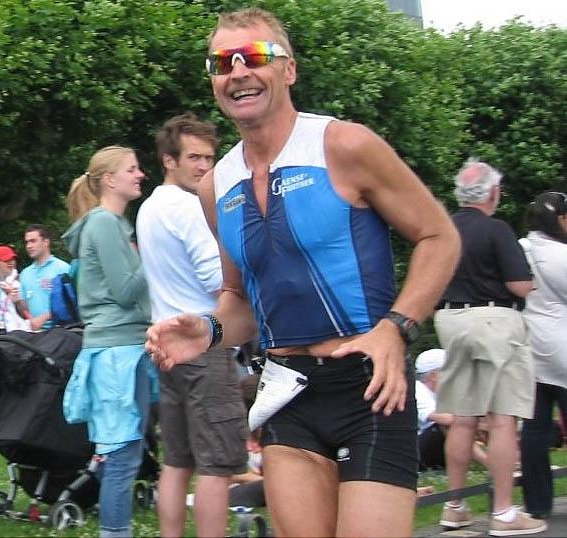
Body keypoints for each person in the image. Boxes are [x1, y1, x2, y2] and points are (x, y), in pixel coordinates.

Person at [146, 8, 461, 537]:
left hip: (370, 386)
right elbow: (240, 299)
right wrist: (210, 330)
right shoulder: (215, 186)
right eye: (223, 62)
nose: (239, 71)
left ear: (288, 69)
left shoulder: (344, 145)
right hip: (287, 389)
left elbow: (439, 236)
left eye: (255, 56)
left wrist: (397, 328)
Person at [136, 113, 248, 537]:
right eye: (194, 158)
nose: (204, 167)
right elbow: (217, 278)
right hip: (203, 342)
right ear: (169, 159)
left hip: (166, 346)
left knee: (177, 461)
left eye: (209, 158)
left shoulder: (149, 207)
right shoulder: (188, 207)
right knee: (217, 466)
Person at [434, 159, 545, 536]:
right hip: (495, 321)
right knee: (502, 417)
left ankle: (454, 506)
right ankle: (504, 513)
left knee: (463, 416)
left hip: (451, 319)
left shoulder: (442, 227)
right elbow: (519, 285)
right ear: (493, 193)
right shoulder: (497, 229)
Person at [62, 145, 156, 538]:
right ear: (109, 180)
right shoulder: (103, 223)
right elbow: (124, 290)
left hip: (124, 349)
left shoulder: (112, 224)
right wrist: (158, 253)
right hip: (117, 353)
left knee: (123, 453)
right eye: (132, 169)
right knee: (122, 457)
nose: (140, 174)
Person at [519, 191, 567, 520]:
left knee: (534, 427)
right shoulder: (561, 254)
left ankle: (537, 503)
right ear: (559, 219)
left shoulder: (519, 248)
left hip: (528, 344)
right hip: (561, 341)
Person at [415, 348, 488, 471]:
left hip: (435, 447)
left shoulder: (443, 392)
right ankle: (490, 463)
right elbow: (445, 418)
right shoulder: (417, 390)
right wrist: (481, 425)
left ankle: (509, 459)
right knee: (448, 424)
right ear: (433, 376)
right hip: (418, 452)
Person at [19, 224, 70, 331]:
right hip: (34, 333)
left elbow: (71, 303)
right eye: (27, 242)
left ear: (46, 242)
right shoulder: (25, 273)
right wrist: (16, 301)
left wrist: (45, 317)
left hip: (61, 331)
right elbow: (24, 308)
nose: (28, 246)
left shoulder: (63, 268)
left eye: (33, 241)